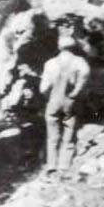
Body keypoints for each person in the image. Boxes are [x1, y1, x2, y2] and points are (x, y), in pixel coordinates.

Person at [39, 35, 91, 175]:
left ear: (59, 47)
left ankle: (51, 165)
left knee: (52, 133)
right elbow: (86, 74)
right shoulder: (78, 61)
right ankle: (64, 164)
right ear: (73, 47)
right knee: (68, 130)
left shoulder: (50, 64)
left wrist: (49, 97)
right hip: (69, 101)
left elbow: (43, 88)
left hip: (53, 102)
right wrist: (76, 91)